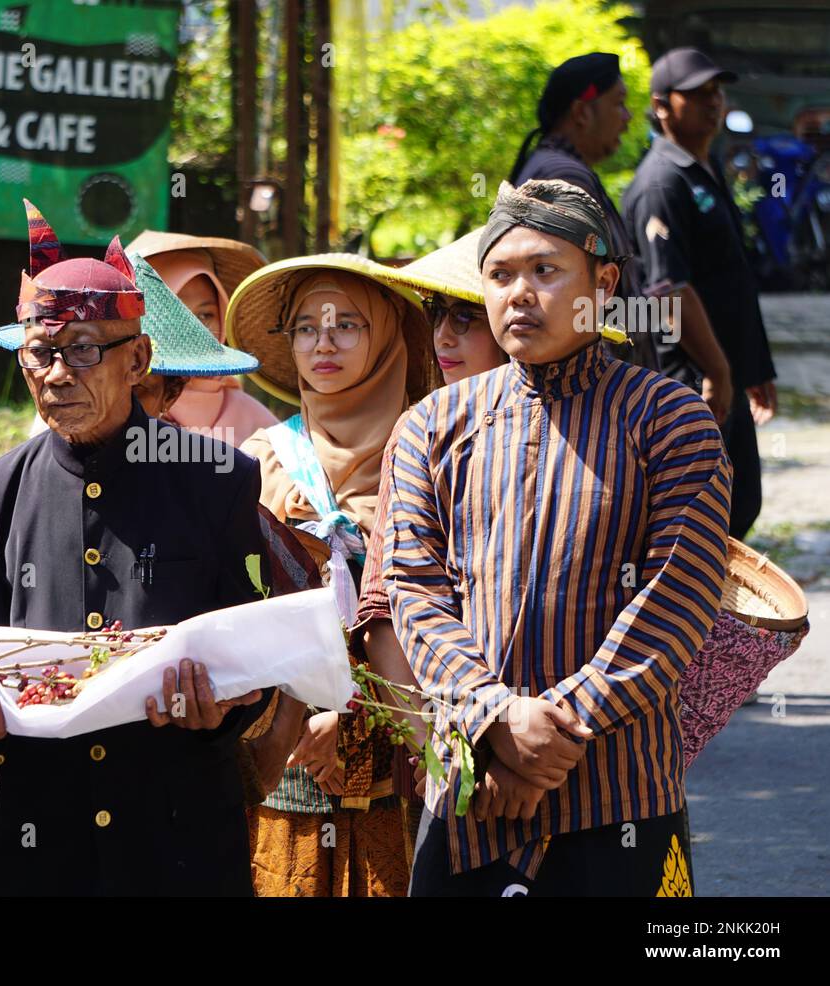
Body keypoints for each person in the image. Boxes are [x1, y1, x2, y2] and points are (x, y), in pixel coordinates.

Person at [387, 179, 732, 896]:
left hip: (618, 798)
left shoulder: (668, 421)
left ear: (602, 285)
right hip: (471, 793)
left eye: (545, 271)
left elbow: (678, 598)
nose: (520, 294)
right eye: (500, 274)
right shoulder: (430, 426)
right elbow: (414, 591)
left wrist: (552, 731)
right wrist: (496, 718)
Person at [0, 200, 272, 897]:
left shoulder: (219, 484)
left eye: (85, 349)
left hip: (177, 848)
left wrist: (225, 705)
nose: (59, 374)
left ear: (139, 358)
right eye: (41, 352)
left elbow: (255, 656)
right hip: (40, 849)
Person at [225, 254, 439, 896]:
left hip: (408, 748)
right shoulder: (261, 459)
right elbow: (237, 611)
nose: (323, 343)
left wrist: (357, 713)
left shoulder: (435, 448)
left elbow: (453, 607)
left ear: (386, 338)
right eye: (306, 327)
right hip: (284, 757)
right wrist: (291, 714)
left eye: (347, 325)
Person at [354, 228, 511, 856]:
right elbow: (388, 611)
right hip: (450, 746)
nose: (443, 335)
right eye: (436, 314)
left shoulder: (605, 428)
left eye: (465, 318)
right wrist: (438, 750)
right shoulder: (423, 435)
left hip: (572, 747)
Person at [623, 47, 775, 538]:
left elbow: (727, 279)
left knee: (740, 503)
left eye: (717, 92)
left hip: (726, 370)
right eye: (698, 94)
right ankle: (694, 613)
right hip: (695, 378)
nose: (714, 103)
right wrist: (718, 370)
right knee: (706, 518)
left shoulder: (702, 168)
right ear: (662, 105)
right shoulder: (661, 183)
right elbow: (670, 289)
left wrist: (752, 367)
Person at [26, 230, 280, 447]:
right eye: (174, 312)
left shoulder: (255, 423)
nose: (191, 329)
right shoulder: (76, 401)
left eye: (205, 314)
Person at [509, 52, 658, 370]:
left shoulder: (560, 168)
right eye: (618, 103)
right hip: (598, 391)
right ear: (581, 112)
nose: (628, 116)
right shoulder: (562, 178)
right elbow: (572, 302)